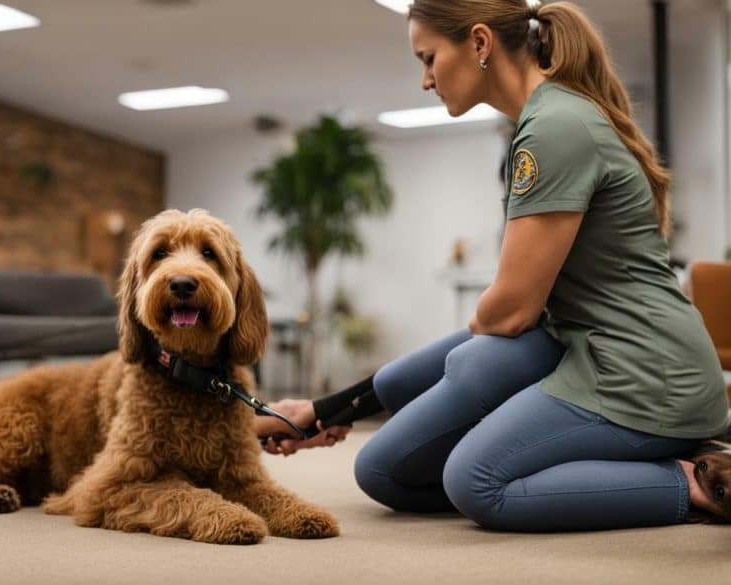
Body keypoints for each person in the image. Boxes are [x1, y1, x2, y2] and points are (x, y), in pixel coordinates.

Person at [253, 0, 730, 532]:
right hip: (586, 348)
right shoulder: (546, 119)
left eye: (429, 58)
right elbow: (504, 325)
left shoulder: (555, 126)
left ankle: (694, 480)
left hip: (646, 377)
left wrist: (488, 322)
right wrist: (328, 410)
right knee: (385, 470)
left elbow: (509, 313)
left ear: (479, 43)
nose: (426, 80)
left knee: (476, 478)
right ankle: (604, 466)